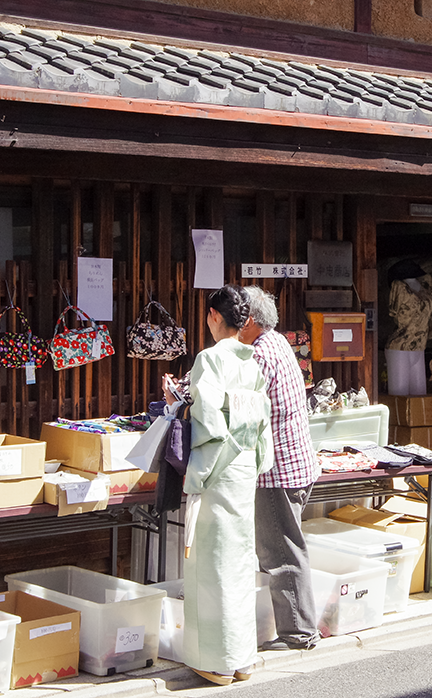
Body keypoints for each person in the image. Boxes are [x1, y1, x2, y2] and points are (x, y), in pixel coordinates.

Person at [164, 284, 274, 686]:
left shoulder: (209, 359)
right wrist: (254, 459)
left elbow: (209, 421)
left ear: (213, 316)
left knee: (212, 566)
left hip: (218, 469)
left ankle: (217, 660)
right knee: (240, 562)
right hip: (245, 467)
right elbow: (262, 420)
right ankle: (243, 657)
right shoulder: (252, 364)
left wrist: (182, 404)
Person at [238, 285, 321, 651]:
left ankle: (299, 633)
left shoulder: (258, 354)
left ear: (250, 319)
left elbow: (236, 405)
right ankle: (295, 627)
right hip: (296, 464)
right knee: (287, 548)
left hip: (276, 473)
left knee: (282, 553)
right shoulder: (279, 343)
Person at [386, 259, 432, 396]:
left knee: (419, 400)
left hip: (419, 346)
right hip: (400, 348)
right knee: (399, 400)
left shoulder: (425, 287)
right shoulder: (399, 288)